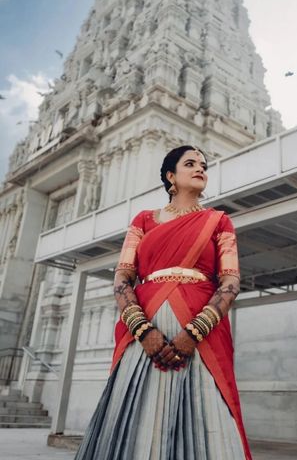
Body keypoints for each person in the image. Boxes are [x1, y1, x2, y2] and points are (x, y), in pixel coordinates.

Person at [75, 145, 252, 460]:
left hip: (203, 335)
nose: (200, 168)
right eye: (190, 163)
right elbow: (123, 279)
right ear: (171, 176)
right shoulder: (143, 220)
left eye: (203, 164)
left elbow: (230, 281)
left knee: (208, 415)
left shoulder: (218, 221)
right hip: (144, 330)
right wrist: (144, 331)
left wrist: (193, 333)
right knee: (136, 416)